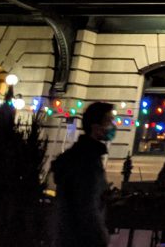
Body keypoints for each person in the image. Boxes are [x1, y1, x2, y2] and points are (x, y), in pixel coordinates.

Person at [51, 101, 115, 247]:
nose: (112, 126)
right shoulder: (87, 160)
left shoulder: (85, 155)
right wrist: (101, 236)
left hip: (70, 236)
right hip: (81, 238)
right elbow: (87, 205)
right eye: (108, 121)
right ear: (96, 127)